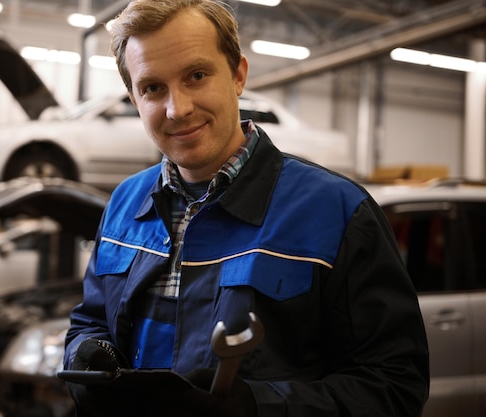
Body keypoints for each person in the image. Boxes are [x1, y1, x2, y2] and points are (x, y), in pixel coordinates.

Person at [63, 1, 430, 416]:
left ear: (238, 75)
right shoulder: (124, 204)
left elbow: (395, 387)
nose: (177, 108)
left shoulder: (339, 212)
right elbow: (90, 320)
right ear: (134, 97)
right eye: (153, 88)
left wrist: (256, 408)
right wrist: (85, 354)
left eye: (196, 76)